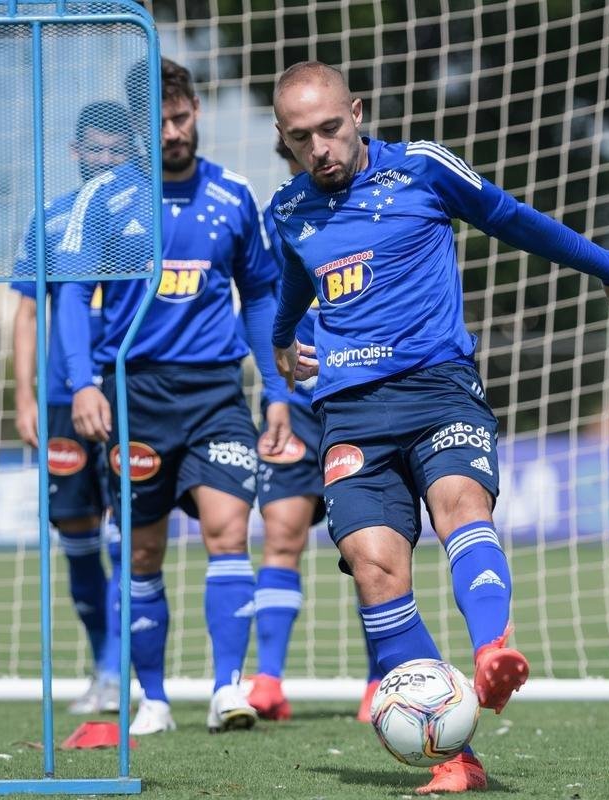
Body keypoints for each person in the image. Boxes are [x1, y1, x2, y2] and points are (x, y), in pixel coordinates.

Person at [270, 62, 609, 794]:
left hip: (439, 391)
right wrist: (283, 341)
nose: (321, 148)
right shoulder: (288, 211)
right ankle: (456, 758)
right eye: (301, 137)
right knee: (375, 567)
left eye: (331, 129)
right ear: (284, 140)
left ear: (359, 113)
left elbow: (511, 217)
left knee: (461, 505)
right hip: (350, 416)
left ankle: (494, 651)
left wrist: (605, 267)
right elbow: (291, 284)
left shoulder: (424, 170)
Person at [55, 57, 290, 736]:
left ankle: (226, 689)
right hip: (137, 396)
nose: (172, 133)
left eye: (181, 117)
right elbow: (72, 295)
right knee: (144, 553)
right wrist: (82, 384)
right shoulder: (104, 200)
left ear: (196, 113)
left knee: (227, 532)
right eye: (156, 123)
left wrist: (274, 390)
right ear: (135, 128)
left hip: (217, 392)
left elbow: (262, 292)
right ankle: (152, 698)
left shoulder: (234, 195)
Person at [242, 138, 383, 723]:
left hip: (359, 399)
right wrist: (276, 394)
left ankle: (382, 680)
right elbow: (258, 311)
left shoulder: (377, 208)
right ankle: (269, 679)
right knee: (281, 536)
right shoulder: (278, 220)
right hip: (296, 406)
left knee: (369, 547)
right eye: (295, 152)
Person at [10, 101, 135, 715]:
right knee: (76, 533)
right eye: (96, 149)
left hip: (125, 393)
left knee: (128, 533)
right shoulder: (51, 218)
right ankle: (101, 662)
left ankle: (120, 668)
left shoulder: (143, 218)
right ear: (75, 152)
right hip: (62, 399)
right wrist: (24, 395)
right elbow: (29, 312)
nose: (106, 160)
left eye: (117, 149)